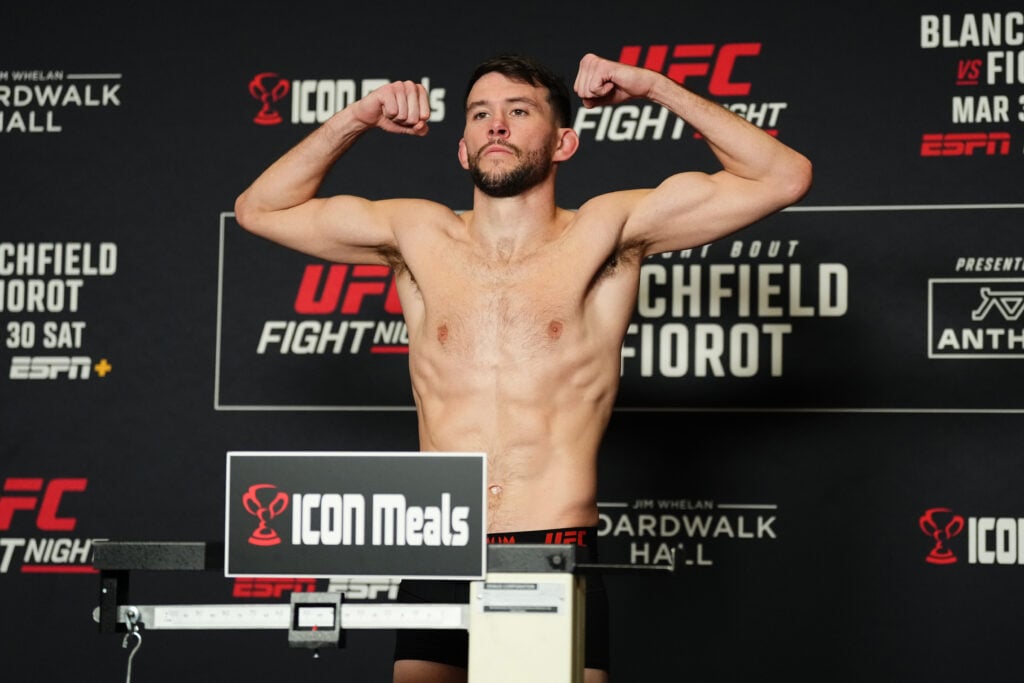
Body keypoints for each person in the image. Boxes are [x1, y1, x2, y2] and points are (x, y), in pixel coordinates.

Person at [235, 51, 812, 683]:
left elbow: (782, 177)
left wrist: (654, 87)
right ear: (462, 148)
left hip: (554, 547)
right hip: (441, 547)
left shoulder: (608, 230)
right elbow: (260, 210)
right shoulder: (415, 234)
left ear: (564, 141)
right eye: (480, 114)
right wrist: (359, 117)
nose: (497, 126)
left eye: (518, 111)